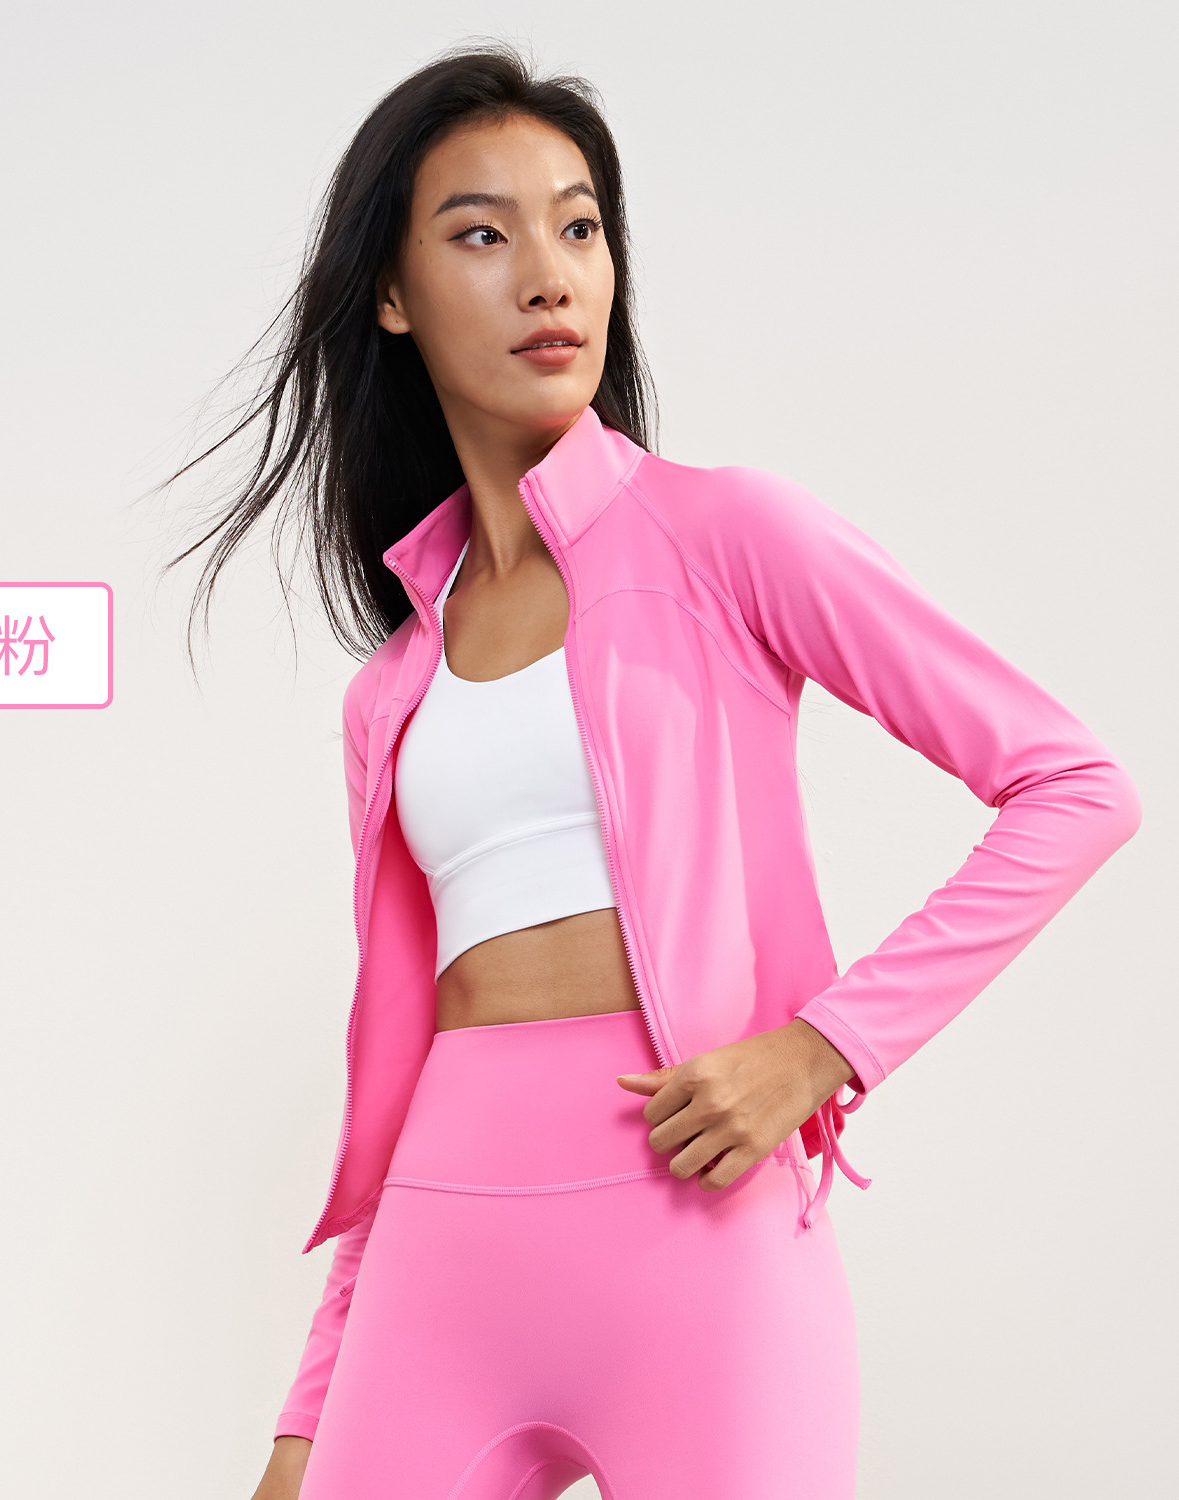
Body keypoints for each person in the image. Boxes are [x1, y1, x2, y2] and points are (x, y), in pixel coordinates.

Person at [164, 43, 1142, 1500]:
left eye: (578, 226)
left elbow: (1074, 788)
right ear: (391, 293)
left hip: (699, 1240)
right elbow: (405, 1063)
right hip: (441, 1253)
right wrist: (307, 1420)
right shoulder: (392, 690)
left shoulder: (727, 537)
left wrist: (820, 1048)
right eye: (481, 235)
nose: (547, 276)